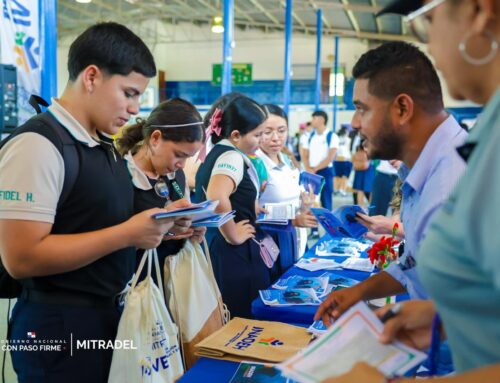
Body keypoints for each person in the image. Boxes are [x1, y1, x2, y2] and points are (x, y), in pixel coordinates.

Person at [0, 23, 191, 382]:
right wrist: (127, 234)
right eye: (129, 93)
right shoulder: (38, 146)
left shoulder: (103, 145)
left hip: (105, 317)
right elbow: (21, 258)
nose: (135, 109)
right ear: (91, 77)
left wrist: (161, 228)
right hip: (57, 330)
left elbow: (95, 224)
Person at [324, 0, 500, 381]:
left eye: (430, 22)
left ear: (480, 12)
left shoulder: (454, 177)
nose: (432, 47)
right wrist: (441, 317)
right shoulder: (474, 142)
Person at [315, 41, 467, 329]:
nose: (355, 123)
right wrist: (358, 292)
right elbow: (416, 265)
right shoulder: (426, 169)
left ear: (402, 108)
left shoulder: (452, 190)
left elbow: (474, 320)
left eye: (362, 109)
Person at [194, 95, 269, 318]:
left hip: (220, 248)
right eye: (257, 134)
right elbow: (218, 196)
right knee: (242, 318)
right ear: (236, 135)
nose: (261, 140)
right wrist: (233, 234)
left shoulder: (215, 153)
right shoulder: (232, 156)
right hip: (233, 253)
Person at [115, 97, 206, 275]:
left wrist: (190, 230)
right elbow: (108, 243)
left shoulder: (177, 175)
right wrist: (161, 231)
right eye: (179, 155)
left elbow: (176, 229)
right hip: (136, 282)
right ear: (155, 138)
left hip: (174, 278)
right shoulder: (119, 175)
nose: (182, 164)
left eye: (188, 157)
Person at [256, 104, 317, 266]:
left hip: (296, 239)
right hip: (269, 242)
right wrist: (293, 220)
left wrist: (304, 207)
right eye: (267, 132)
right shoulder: (254, 165)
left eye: (282, 131)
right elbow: (251, 213)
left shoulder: (287, 160)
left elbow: (292, 201)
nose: (276, 138)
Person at [302, 110, 339, 211]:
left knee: (326, 202)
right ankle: (313, 227)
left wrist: (315, 168)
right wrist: (308, 168)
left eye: (314, 118)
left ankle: (330, 226)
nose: (312, 121)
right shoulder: (310, 136)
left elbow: (330, 157)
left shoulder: (332, 136)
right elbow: (304, 154)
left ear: (322, 120)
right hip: (311, 171)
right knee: (312, 202)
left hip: (325, 171)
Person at [333, 127, 352, 196]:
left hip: (337, 159)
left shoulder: (336, 139)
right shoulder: (348, 140)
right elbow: (350, 150)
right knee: (345, 176)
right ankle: (342, 189)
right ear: (346, 132)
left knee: (337, 176)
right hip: (346, 159)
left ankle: (335, 188)